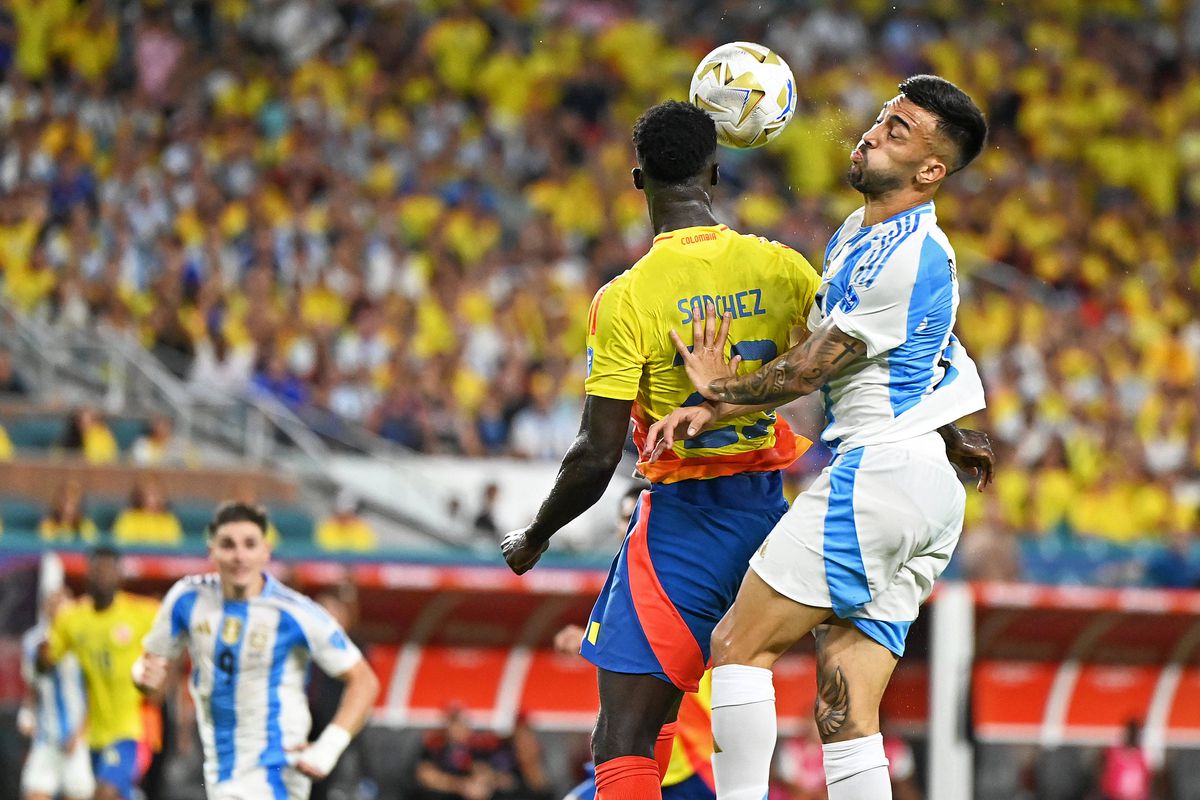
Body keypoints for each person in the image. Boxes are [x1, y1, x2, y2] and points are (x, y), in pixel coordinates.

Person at [644, 75, 995, 799]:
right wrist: (719, 412)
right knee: (846, 713)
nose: (871, 133)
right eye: (880, 119)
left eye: (897, 132)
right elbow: (920, 348)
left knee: (739, 645)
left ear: (932, 171)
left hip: (881, 475)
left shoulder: (911, 253)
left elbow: (811, 367)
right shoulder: (860, 236)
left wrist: (716, 390)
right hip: (920, 481)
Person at [501, 100, 823, 800]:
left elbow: (595, 453)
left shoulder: (627, 298)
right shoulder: (782, 267)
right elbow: (845, 357)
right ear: (716, 169)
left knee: (626, 737)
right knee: (802, 697)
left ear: (638, 177)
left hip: (687, 526)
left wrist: (536, 534)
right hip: (776, 519)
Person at [132, 501, 380, 800]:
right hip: (219, 769)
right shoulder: (186, 599)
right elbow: (151, 676)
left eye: (250, 545)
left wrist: (330, 746)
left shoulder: (295, 613)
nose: (239, 556)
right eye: (228, 545)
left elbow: (364, 680)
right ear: (211, 550)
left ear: (266, 550)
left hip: (276, 770)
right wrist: (142, 677)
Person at [37, 546, 161, 800]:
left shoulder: (142, 613)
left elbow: (176, 636)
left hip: (132, 730)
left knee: (104, 793)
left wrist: (162, 683)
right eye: (97, 570)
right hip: (91, 734)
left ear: (119, 576)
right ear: (88, 575)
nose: (103, 576)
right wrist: (42, 655)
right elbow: (46, 664)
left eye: (108, 570)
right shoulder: (72, 619)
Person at [20, 587, 94, 800]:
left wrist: (80, 733)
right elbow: (33, 686)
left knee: (76, 794)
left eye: (62, 602)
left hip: (77, 737)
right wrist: (28, 715)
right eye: (53, 602)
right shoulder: (33, 641)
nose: (57, 608)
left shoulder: (84, 639)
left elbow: (92, 692)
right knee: (35, 794)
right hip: (46, 736)